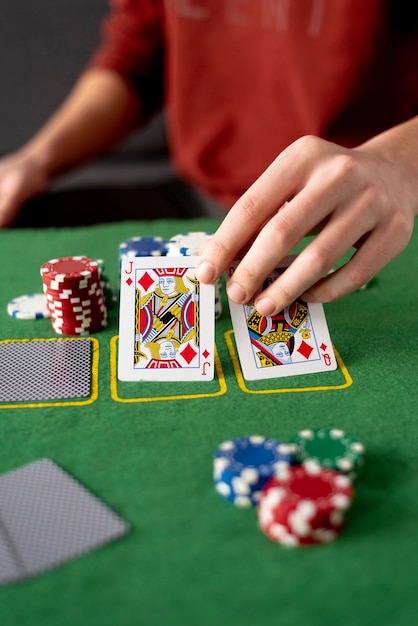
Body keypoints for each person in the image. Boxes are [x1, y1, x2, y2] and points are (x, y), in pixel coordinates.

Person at [1, 0, 418, 318]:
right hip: (195, 197)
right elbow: (139, 52)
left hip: (368, 222)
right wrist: (34, 160)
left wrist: (397, 163)